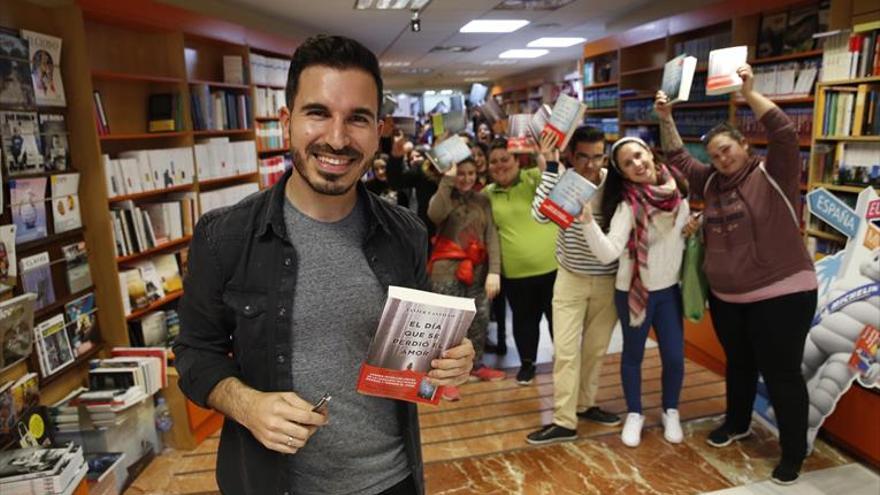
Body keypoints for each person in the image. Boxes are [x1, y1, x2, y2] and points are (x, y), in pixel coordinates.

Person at [174, 35, 474, 495]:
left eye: (357, 118)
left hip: (391, 479)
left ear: (379, 130)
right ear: (286, 122)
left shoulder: (406, 233)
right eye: (318, 113)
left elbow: (419, 353)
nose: (337, 138)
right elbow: (196, 355)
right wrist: (246, 404)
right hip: (273, 483)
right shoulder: (224, 238)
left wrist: (451, 361)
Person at [655, 64, 818, 485]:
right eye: (715, 154)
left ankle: (793, 452)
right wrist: (666, 117)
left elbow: (783, 131)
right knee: (739, 365)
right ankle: (738, 422)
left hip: (782, 294)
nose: (721, 159)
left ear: (745, 145)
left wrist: (749, 93)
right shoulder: (709, 181)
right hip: (729, 297)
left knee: (782, 373)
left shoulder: (774, 172)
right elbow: (676, 157)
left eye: (728, 150)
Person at [579, 135, 690, 449]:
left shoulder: (677, 189)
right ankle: (635, 413)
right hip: (634, 292)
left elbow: (680, 233)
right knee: (633, 356)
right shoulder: (628, 205)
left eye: (639, 156)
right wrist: (587, 223)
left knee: (674, 356)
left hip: (669, 290)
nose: (637, 165)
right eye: (628, 163)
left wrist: (693, 226)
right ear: (623, 173)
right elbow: (609, 253)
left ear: (651, 154)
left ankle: (671, 409)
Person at [526, 127, 621, 445]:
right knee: (566, 351)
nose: (591, 165)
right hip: (569, 278)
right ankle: (564, 421)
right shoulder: (563, 179)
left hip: (608, 280)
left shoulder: (615, 182)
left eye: (597, 157)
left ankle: (585, 404)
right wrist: (551, 169)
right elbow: (540, 217)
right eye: (583, 156)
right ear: (571, 155)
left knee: (595, 350)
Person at [427, 157, 505, 401]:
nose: (467, 178)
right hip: (446, 270)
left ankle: (477, 364)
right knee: (448, 326)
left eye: (471, 173)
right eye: (462, 173)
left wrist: (494, 271)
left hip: (478, 270)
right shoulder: (444, 196)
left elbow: (491, 235)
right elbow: (434, 214)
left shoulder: (482, 199)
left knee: (479, 320)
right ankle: (443, 377)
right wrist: (447, 180)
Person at [484, 137, 558, 385]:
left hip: (553, 268)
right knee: (524, 322)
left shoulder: (533, 178)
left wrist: (540, 152)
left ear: (517, 160)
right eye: (493, 162)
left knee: (559, 321)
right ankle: (528, 364)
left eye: (505, 159)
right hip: (514, 274)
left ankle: (566, 362)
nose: (499, 165)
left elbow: (552, 175)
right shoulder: (487, 194)